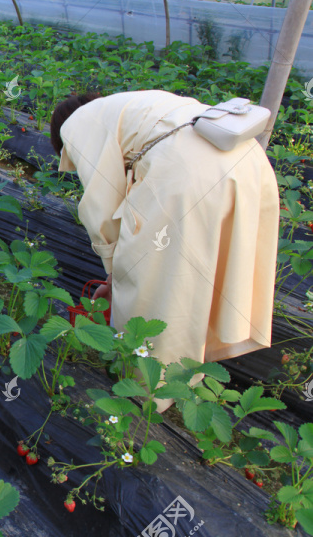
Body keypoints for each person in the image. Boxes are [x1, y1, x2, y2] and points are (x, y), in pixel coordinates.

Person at [50, 90, 278, 376]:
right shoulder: (134, 103)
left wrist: (116, 271)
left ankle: (151, 382)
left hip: (189, 173)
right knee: (208, 263)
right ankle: (200, 355)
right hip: (250, 161)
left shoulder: (77, 124)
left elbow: (101, 202)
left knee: (157, 279)